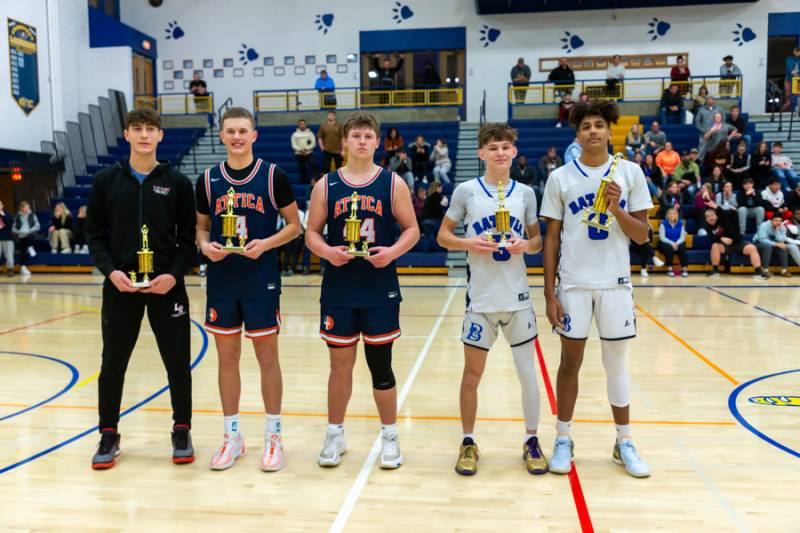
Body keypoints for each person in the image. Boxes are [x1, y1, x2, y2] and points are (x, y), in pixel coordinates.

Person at [541, 100, 653, 478]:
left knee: (615, 365)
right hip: (573, 284)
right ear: (577, 135)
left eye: (599, 126)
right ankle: (563, 438)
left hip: (615, 284)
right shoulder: (560, 178)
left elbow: (642, 235)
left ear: (609, 132)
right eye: (586, 126)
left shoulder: (631, 173)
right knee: (569, 363)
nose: (593, 131)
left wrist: (618, 208)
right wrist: (549, 293)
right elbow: (551, 239)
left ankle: (624, 441)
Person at [304, 112, 419, 470]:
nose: (362, 141)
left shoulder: (392, 183)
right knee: (340, 366)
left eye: (369, 136)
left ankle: (390, 436)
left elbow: (411, 230)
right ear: (344, 143)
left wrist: (392, 252)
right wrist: (327, 252)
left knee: (380, 366)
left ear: (378, 142)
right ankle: (335, 433)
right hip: (339, 288)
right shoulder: (325, 185)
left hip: (379, 286)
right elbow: (311, 233)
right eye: (356, 136)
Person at [84, 108, 197, 469]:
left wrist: (174, 275)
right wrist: (111, 271)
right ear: (127, 134)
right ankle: (108, 434)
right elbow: (95, 235)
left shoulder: (177, 182)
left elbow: (188, 239)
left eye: (151, 129)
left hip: (167, 287)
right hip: (121, 286)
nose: (145, 134)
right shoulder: (106, 180)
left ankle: (181, 429)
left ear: (160, 136)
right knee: (112, 364)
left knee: (178, 363)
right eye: (138, 129)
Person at [437, 122, 546, 476]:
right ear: (481, 153)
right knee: (471, 375)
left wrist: (525, 246)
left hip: (517, 300)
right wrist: (468, 243)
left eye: (506, 147)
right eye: (493, 147)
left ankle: (531, 440)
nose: (500, 152)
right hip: (480, 301)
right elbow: (442, 236)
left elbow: (538, 242)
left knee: (528, 374)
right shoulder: (466, 191)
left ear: (514, 152)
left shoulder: (526, 193)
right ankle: (468, 441)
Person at [196, 107, 301, 471]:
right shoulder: (208, 180)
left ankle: (274, 436)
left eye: (243, 130)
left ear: (254, 135)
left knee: (267, 358)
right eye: (230, 131)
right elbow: (201, 228)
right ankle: (233, 436)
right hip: (223, 281)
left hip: (260, 279)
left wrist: (267, 243)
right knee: (226, 359)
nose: (237, 137)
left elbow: (295, 225)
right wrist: (204, 246)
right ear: (221, 136)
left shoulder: (274, 176)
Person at [700, 207, 767, 279]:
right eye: (707, 217)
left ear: (717, 216)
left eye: (712, 215)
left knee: (752, 248)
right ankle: (715, 271)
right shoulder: (707, 227)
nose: (710, 218)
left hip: (737, 243)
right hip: (725, 246)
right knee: (715, 246)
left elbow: (738, 235)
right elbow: (713, 238)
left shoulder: (724, 221)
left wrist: (732, 240)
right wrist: (721, 238)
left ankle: (758, 272)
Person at [657, 207, 689, 277]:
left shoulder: (681, 224)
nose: (672, 215)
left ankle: (684, 269)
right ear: (667, 215)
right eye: (670, 213)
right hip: (665, 243)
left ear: (677, 215)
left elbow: (682, 237)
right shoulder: (663, 224)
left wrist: (676, 243)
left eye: (674, 213)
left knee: (682, 247)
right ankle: (670, 269)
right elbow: (662, 237)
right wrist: (672, 243)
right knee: (669, 248)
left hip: (677, 242)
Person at [12, 201, 40, 277]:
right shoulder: (17, 216)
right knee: (23, 249)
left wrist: (30, 230)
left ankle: (30, 246)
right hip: (22, 235)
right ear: (22, 208)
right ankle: (23, 267)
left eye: (28, 207)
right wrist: (20, 231)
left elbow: (38, 226)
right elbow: (13, 228)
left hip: (31, 233)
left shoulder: (32, 215)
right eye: (26, 207)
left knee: (29, 237)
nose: (28, 208)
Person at [291, 119, 317, 184]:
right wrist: (300, 150)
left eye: (303, 124)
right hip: (299, 154)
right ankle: (304, 183)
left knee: (313, 166)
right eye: (301, 124)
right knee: (302, 169)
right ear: (299, 125)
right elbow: (294, 145)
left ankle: (314, 181)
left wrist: (306, 149)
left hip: (309, 153)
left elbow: (313, 143)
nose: (302, 125)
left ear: (306, 125)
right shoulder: (295, 134)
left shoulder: (310, 133)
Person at [783, 47, 800, 111]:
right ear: (794, 51)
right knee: (788, 94)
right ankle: (787, 108)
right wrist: (793, 72)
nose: (798, 52)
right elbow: (789, 67)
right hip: (789, 80)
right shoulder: (789, 59)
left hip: (797, 80)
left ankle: (796, 110)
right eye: (797, 51)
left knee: (797, 95)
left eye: (799, 51)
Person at [0, 200, 14, 276]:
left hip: (7, 238)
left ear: (2, 206)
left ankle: (10, 269)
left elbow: (10, 224)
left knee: (9, 255)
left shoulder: (7, 214)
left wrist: (2, 215)